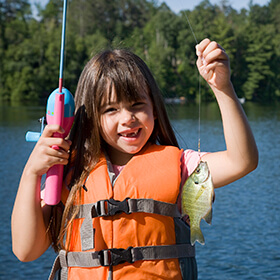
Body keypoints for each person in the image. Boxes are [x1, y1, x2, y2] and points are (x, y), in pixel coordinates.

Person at [11, 38, 258, 280]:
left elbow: (242, 161)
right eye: (111, 109)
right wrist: (32, 172)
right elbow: (26, 250)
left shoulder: (183, 166)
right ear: (91, 117)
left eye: (137, 104)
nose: (128, 118)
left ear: (154, 107)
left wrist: (223, 88)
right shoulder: (70, 174)